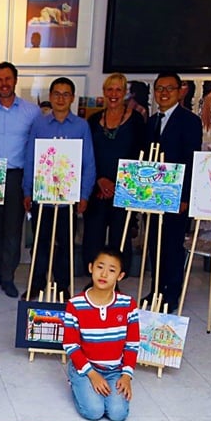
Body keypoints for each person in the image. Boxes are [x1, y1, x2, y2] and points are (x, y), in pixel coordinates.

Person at [28, 77, 96, 297]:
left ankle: (61, 286)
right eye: (57, 93)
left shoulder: (81, 126)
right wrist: (27, 190)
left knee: (66, 244)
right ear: (50, 96)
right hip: (42, 194)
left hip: (69, 197)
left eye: (66, 94)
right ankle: (36, 284)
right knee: (40, 242)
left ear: (72, 98)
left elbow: (88, 162)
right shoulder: (39, 124)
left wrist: (84, 194)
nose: (60, 98)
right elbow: (31, 158)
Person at [0, 62, 40, 298]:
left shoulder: (31, 112)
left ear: (15, 80)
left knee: (13, 229)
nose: (4, 83)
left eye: (8, 79)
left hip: (17, 175)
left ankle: (9, 276)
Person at [62, 247, 139, 421]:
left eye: (111, 270)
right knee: (94, 412)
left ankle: (98, 390)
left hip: (115, 371)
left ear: (120, 276)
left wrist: (126, 376)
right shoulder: (75, 304)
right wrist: (92, 374)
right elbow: (70, 345)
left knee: (118, 414)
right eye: (100, 267)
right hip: (85, 369)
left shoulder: (128, 304)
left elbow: (132, 344)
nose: (104, 274)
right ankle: (76, 384)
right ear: (91, 268)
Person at [147, 72, 202, 310]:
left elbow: (192, 161)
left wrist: (186, 197)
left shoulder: (190, 121)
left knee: (172, 245)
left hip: (177, 197)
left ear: (180, 91)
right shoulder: (151, 121)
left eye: (170, 88)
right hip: (152, 196)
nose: (164, 93)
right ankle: (156, 290)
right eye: (159, 88)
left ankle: (172, 294)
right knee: (154, 244)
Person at [83, 73, 146, 273]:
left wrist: (118, 183)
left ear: (125, 93)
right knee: (93, 239)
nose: (113, 94)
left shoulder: (136, 120)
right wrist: (100, 179)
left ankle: (115, 283)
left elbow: (140, 155)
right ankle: (95, 281)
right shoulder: (93, 121)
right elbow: (88, 154)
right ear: (103, 92)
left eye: (118, 89)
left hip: (124, 192)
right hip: (97, 190)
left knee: (120, 239)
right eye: (109, 89)